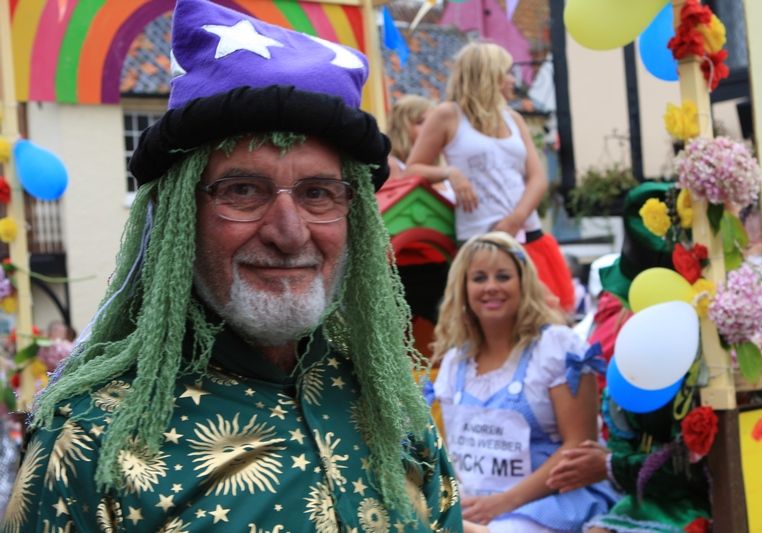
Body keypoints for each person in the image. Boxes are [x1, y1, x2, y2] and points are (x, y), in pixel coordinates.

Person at [2, 1, 461, 531]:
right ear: (179, 220)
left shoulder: (392, 407)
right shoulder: (88, 439)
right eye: (243, 190)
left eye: (318, 193)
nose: (290, 233)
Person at [546, 183, 712, 532]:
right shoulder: (631, 337)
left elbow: (700, 471)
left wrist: (609, 465)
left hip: (696, 506)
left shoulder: (714, 351)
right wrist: (607, 462)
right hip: (640, 498)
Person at [432, 231, 618, 532]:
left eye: (503, 276)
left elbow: (579, 447)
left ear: (523, 283)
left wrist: (503, 503)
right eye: (479, 278)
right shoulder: (455, 362)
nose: (491, 287)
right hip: (475, 505)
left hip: (554, 501)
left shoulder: (557, 348)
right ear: (463, 289)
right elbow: (453, 452)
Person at [406, 42, 574, 312]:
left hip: (527, 234)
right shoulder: (448, 115)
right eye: (507, 72)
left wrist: (515, 219)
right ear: (488, 75)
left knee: (549, 319)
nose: (512, 80)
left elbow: (537, 177)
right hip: (482, 239)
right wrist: (451, 173)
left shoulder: (513, 118)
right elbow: (413, 169)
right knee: (496, 324)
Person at [387, 94, 456, 202]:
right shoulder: (393, 166)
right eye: (421, 122)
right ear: (402, 129)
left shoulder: (446, 162)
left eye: (434, 123)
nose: (430, 128)